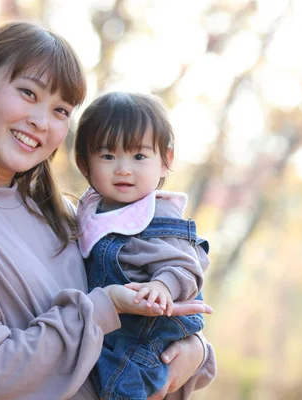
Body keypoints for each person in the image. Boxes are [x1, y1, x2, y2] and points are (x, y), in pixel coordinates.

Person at [0, 21, 216, 400]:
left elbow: (122, 352)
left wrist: (194, 353)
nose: (41, 122)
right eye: (28, 93)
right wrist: (102, 308)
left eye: (61, 110)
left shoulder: (66, 217)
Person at [73, 92, 211, 400]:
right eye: (108, 156)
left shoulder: (158, 216)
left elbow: (185, 266)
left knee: (121, 386)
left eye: (138, 156)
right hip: (110, 332)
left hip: (147, 337)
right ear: (84, 163)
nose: (123, 168)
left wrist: (162, 285)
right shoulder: (90, 211)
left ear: (166, 161)